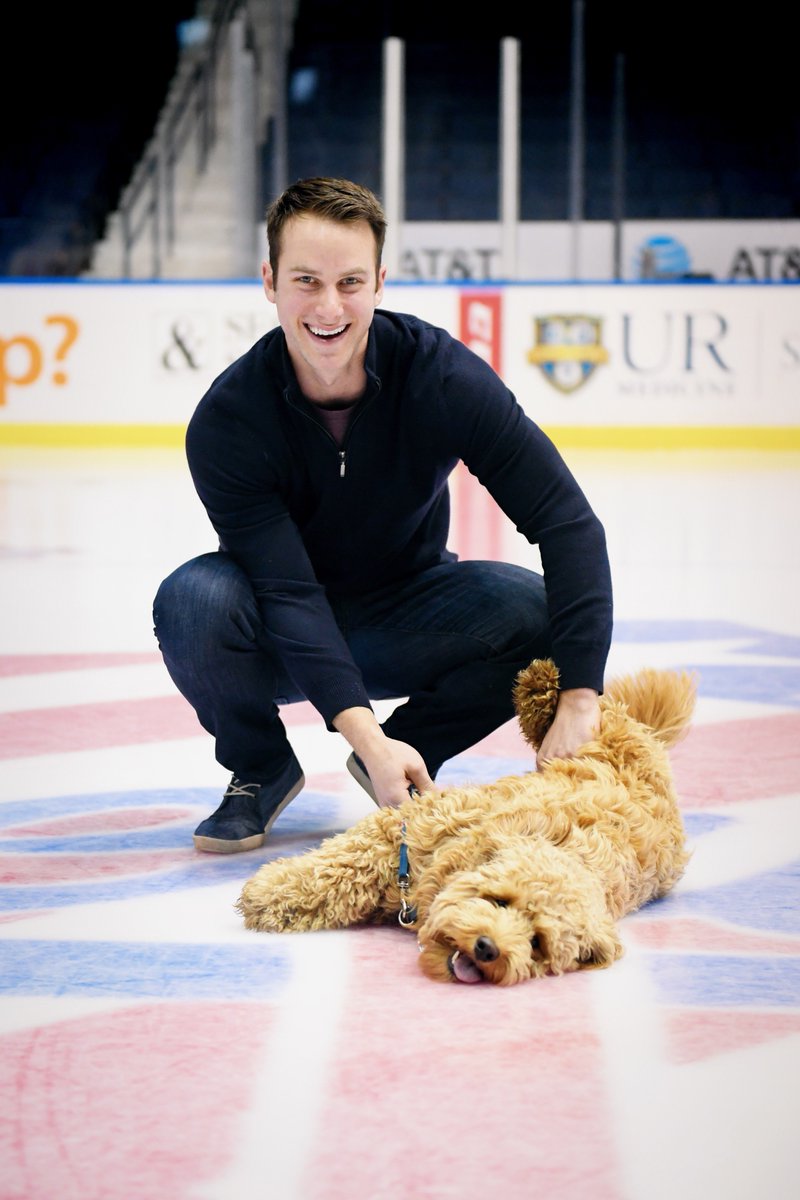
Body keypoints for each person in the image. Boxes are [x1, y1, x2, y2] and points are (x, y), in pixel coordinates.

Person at [152, 176, 613, 854]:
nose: (329, 305)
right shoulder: (230, 421)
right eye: (306, 280)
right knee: (193, 601)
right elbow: (286, 590)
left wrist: (580, 696)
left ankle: (413, 752)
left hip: (409, 611)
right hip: (280, 633)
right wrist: (364, 732)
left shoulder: (442, 379)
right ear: (269, 281)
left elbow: (567, 522)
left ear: (380, 282)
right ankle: (260, 767)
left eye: (350, 282)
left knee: (547, 616)